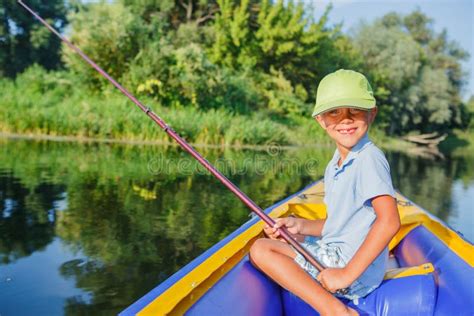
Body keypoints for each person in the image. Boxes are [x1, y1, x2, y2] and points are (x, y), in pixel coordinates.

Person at [249, 69, 401, 316]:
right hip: (338, 255)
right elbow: (339, 224)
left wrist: (344, 276)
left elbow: (390, 221)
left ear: (372, 114)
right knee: (282, 237)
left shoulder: (368, 158)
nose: (345, 120)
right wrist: (299, 226)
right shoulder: (336, 164)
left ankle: (335, 310)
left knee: (261, 250)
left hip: (352, 271)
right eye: (334, 112)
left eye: (355, 111)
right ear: (321, 120)